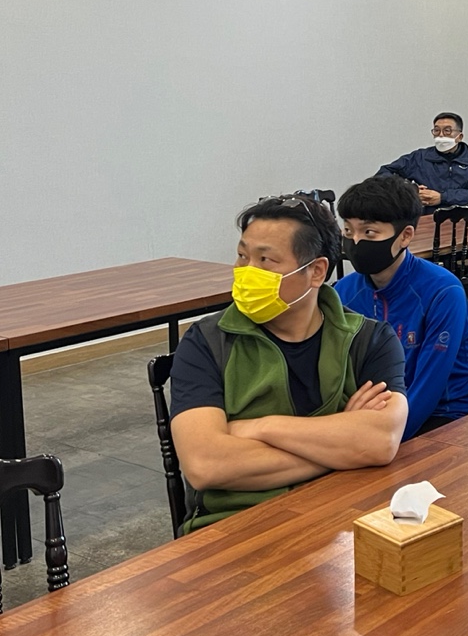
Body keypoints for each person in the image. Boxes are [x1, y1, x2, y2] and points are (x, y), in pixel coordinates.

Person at [169, 195, 408, 532]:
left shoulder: (368, 340)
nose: (247, 271)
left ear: (316, 271)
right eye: (242, 256)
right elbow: (206, 464)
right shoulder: (208, 342)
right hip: (234, 526)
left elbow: (381, 441)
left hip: (343, 514)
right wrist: (341, 446)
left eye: (265, 260)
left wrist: (261, 428)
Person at [333, 176, 468, 437]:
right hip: (372, 418)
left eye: (369, 232)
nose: (355, 241)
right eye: (348, 231)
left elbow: (429, 386)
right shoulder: (343, 293)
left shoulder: (443, 291)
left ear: (405, 236)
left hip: (445, 417)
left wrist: (382, 439)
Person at [375, 111, 468, 212]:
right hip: (426, 215)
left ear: (460, 137)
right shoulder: (420, 157)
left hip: (463, 217)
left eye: (447, 131)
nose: (441, 135)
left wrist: (442, 197)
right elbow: (383, 173)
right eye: (436, 130)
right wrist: (410, 189)